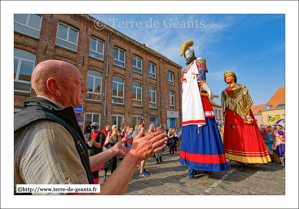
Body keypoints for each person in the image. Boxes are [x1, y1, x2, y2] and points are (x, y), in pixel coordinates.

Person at [14, 60, 167, 195]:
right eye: (78, 82)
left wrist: (113, 151)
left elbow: (78, 165)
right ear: (55, 86)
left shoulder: (47, 118)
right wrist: (134, 156)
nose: (86, 88)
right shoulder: (47, 130)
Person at [179, 40, 228, 178]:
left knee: (199, 132)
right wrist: (209, 89)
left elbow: (196, 83)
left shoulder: (191, 67)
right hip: (196, 102)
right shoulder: (191, 66)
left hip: (194, 103)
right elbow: (198, 81)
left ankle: (197, 165)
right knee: (202, 132)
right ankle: (203, 164)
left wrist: (207, 90)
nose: (187, 56)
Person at [221, 71, 271, 171]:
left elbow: (247, 101)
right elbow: (223, 105)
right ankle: (238, 158)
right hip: (230, 115)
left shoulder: (241, 88)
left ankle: (247, 159)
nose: (227, 78)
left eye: (229, 76)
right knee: (234, 137)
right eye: (226, 77)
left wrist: (247, 115)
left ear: (234, 77)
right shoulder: (224, 92)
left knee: (245, 136)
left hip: (241, 114)